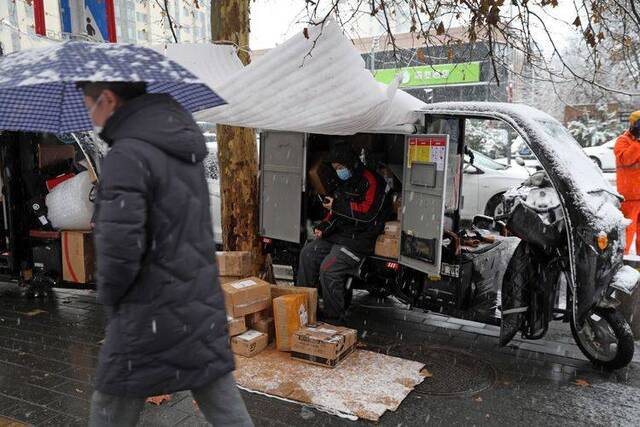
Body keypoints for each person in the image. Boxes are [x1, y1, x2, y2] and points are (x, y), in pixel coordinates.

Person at [78, 81, 253, 427]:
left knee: (110, 404)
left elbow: (119, 247)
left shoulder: (126, 154)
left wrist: (110, 296)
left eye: (89, 103)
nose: (89, 113)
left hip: (147, 309)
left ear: (108, 99)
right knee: (221, 399)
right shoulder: (182, 149)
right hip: (197, 300)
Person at [297, 141, 388, 323]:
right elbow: (334, 211)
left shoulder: (372, 181)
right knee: (308, 254)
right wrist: (324, 226)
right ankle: (302, 308)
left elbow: (367, 213)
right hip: (339, 235)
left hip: (360, 239)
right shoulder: (342, 181)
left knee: (328, 268)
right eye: (335, 168)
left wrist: (337, 206)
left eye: (340, 167)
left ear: (350, 162)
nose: (338, 171)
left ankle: (335, 317)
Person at [615, 110, 640, 254]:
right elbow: (626, 159)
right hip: (629, 197)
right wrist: (637, 142)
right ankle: (621, 264)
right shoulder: (623, 141)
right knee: (627, 234)